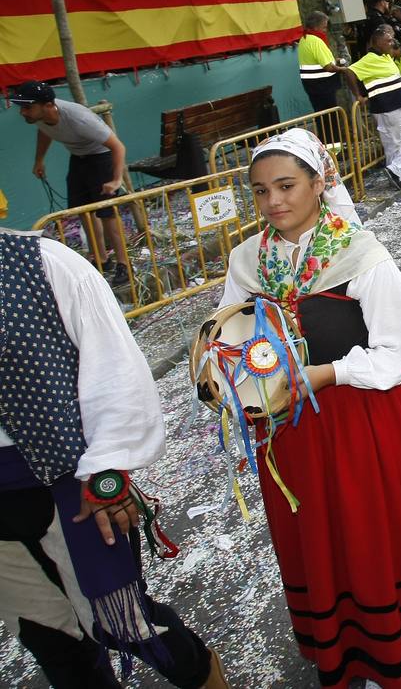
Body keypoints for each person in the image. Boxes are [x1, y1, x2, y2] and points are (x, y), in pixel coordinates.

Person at [219, 129, 401, 688]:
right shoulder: (247, 260)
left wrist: (327, 373)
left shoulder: (358, 253)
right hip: (291, 429)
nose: (274, 201)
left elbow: (399, 351)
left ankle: (386, 641)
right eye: (260, 191)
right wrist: (235, 379)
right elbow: (231, 334)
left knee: (366, 527)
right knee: (319, 531)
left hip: (363, 418)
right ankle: (337, 636)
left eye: (286, 185)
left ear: (318, 183)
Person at [0, 229, 230, 689]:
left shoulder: (42, 264)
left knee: (125, 623)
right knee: (49, 638)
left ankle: (206, 676)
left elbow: (114, 368)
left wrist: (107, 470)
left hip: (66, 481)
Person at [13, 81, 130, 284]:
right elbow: (45, 131)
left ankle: (124, 265)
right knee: (83, 210)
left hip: (101, 157)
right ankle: (101, 259)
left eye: (27, 107)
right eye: (21, 107)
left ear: (48, 105)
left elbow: (118, 147)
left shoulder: (79, 118)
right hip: (78, 158)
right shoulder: (39, 116)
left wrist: (116, 180)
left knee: (107, 213)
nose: (23, 112)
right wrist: (39, 160)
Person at [350, 24, 401, 189]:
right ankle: (396, 174)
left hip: (396, 105)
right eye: (387, 41)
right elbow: (350, 71)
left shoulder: (385, 56)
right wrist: (358, 94)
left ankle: (395, 171)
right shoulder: (369, 59)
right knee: (393, 142)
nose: (391, 43)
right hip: (386, 106)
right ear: (377, 43)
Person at [296, 11, 351, 113]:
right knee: (330, 117)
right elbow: (328, 67)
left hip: (311, 85)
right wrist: (344, 69)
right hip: (323, 86)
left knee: (321, 116)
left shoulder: (304, 39)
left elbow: (316, 61)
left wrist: (334, 61)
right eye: (324, 27)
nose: (325, 31)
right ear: (316, 27)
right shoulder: (316, 41)